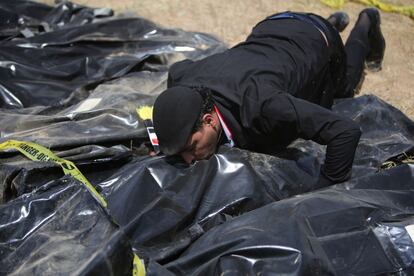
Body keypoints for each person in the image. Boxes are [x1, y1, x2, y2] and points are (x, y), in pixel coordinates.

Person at [152, 8, 386, 186]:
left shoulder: (265, 106)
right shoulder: (187, 80)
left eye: (191, 147)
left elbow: (345, 131)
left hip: (315, 38)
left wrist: (326, 189)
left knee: (344, 88)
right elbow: (176, 71)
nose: (187, 159)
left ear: (209, 120)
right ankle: (330, 22)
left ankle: (365, 22)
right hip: (272, 28)